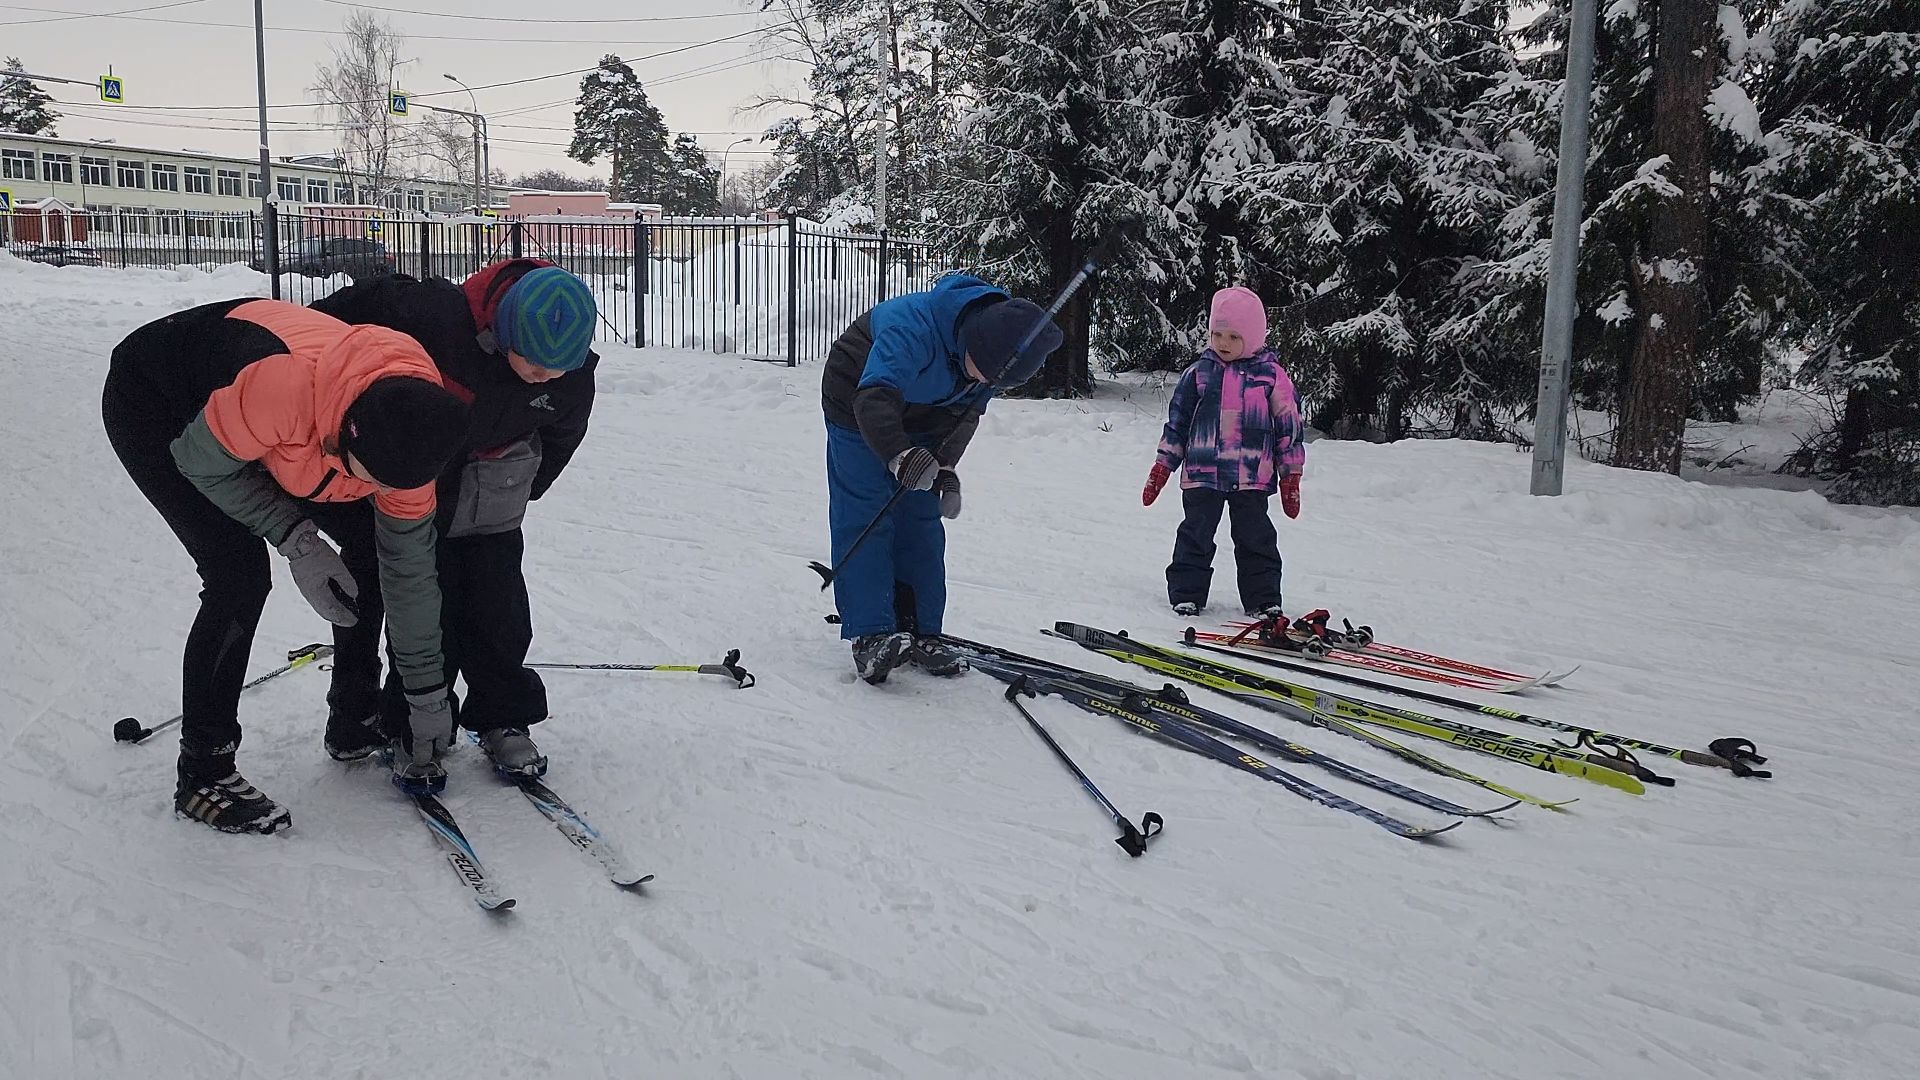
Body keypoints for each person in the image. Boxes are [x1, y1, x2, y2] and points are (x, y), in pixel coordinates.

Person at [102, 299, 469, 833]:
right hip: (160, 399)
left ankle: (355, 713)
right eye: (368, 478)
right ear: (343, 438)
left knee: (373, 544)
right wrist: (298, 539)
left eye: (390, 486)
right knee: (238, 576)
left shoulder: (414, 427)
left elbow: (408, 571)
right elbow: (200, 464)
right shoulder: (285, 394)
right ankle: (203, 770)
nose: (379, 493)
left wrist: (426, 691)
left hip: (266, 417)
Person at [310, 259, 597, 777]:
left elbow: (561, 437)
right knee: (424, 613)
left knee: (500, 615)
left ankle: (504, 719)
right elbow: (344, 316)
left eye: (557, 370)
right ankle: (411, 723)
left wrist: (528, 488)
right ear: (502, 332)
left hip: (495, 502)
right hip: (420, 494)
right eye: (533, 364)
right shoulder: (435, 317)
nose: (545, 377)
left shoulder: (572, 375)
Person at [821, 273, 1065, 684]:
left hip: (926, 411)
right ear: (971, 342)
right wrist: (899, 455)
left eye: (996, 382)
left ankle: (920, 630)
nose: (985, 383)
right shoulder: (911, 328)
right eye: (983, 372)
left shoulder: (995, 358)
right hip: (859, 399)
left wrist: (944, 469)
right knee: (867, 512)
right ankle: (870, 634)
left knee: (921, 519)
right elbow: (873, 399)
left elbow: (966, 415)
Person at [1141, 286, 1305, 618]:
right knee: (1195, 534)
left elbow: (1289, 426)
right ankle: (1187, 593)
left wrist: (1291, 475)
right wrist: (1163, 466)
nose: (1223, 343)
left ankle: (1263, 599)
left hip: (1251, 475)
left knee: (1256, 539)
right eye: (1217, 334)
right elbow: (1178, 422)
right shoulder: (1199, 373)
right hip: (1203, 472)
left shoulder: (1272, 376)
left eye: (1233, 336)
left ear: (1254, 336)